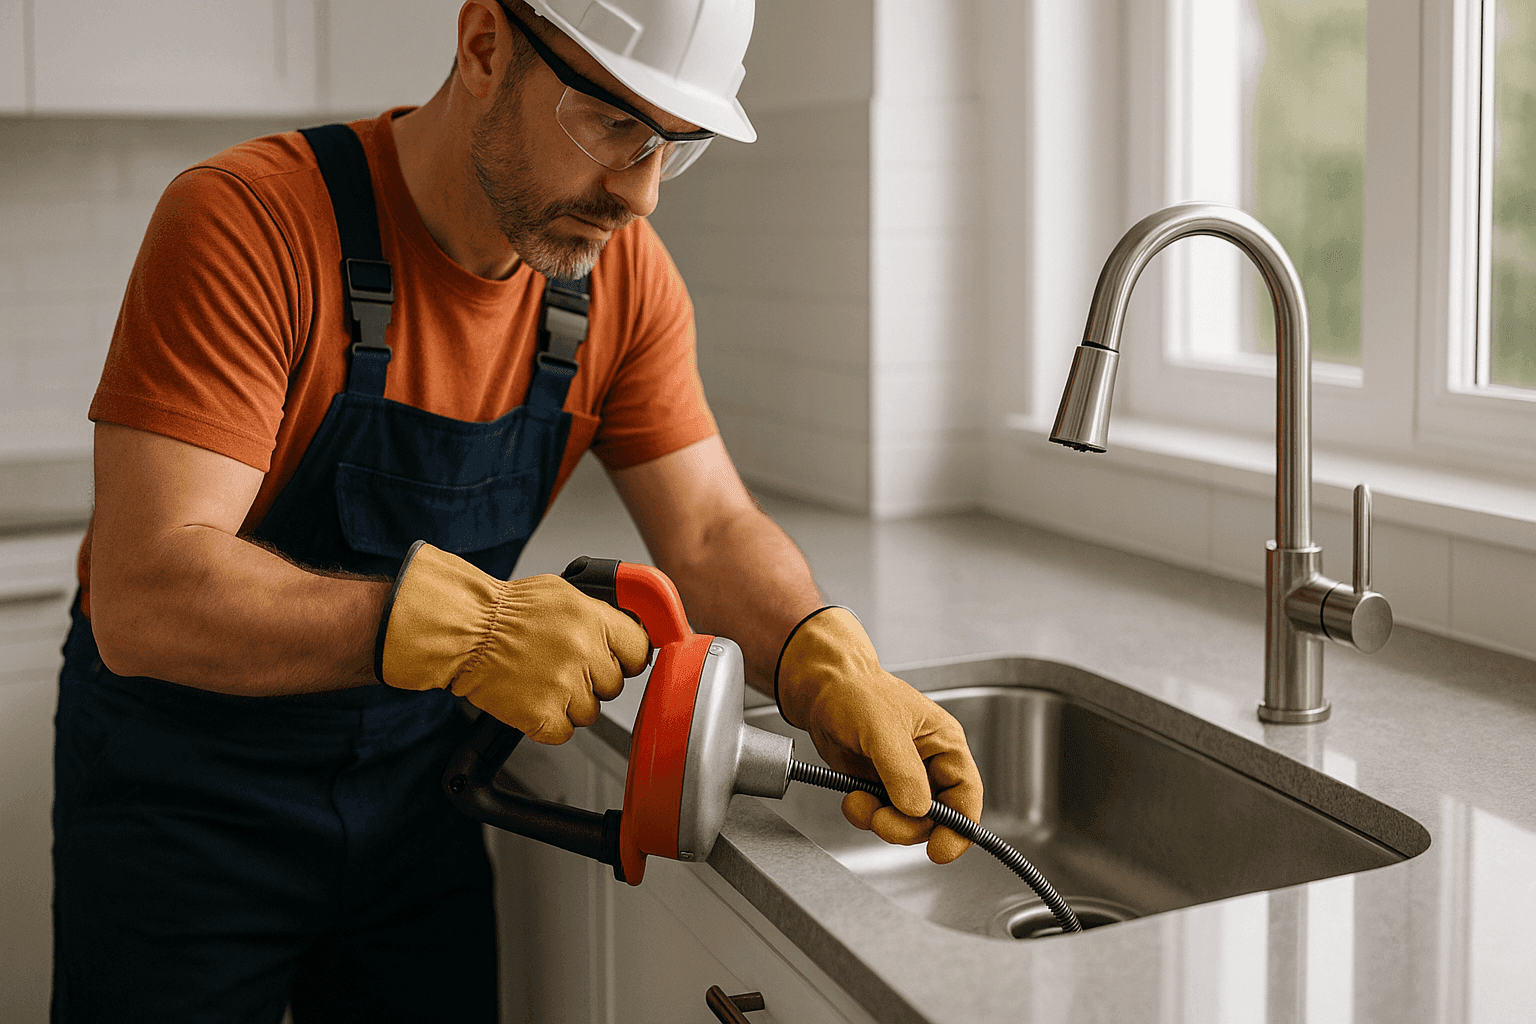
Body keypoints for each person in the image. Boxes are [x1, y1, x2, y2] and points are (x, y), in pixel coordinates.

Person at [53, 1, 984, 1020]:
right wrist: (472, 628)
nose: (642, 192)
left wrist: (826, 662)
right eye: (613, 124)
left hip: (411, 799)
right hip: (182, 808)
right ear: (485, 47)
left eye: (675, 143)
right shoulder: (249, 221)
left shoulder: (622, 285)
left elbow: (711, 530)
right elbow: (148, 594)